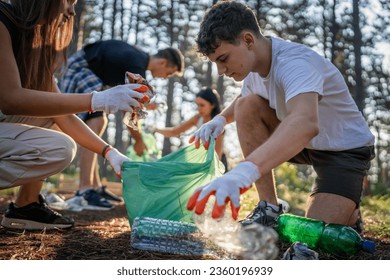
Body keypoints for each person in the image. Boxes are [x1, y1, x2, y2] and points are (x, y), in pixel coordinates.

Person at [186, 0, 375, 231]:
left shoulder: (295, 63)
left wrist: (246, 170)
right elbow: (243, 101)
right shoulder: (253, 68)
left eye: (223, 59)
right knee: (247, 105)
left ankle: (350, 213)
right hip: (306, 145)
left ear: (247, 40)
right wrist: (221, 119)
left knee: (312, 236)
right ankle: (269, 209)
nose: (221, 71)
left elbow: (305, 122)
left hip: (343, 150)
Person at [0, 0, 145, 230]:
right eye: (68, 1)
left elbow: (63, 115)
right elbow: (10, 100)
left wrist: (110, 153)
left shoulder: (32, 45)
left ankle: (26, 206)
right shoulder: (2, 20)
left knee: (53, 113)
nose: (71, 10)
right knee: (59, 147)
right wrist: (98, 99)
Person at [58, 40, 184, 210]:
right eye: (168, 73)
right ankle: (85, 190)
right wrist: (138, 141)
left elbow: (126, 100)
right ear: (162, 62)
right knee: (95, 122)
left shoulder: (137, 59)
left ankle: (94, 187)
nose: (165, 77)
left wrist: (145, 106)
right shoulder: (137, 67)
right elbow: (129, 115)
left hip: (91, 71)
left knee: (99, 122)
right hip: (82, 68)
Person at [154, 87, 227, 167]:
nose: (199, 109)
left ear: (212, 105)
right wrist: (155, 129)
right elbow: (174, 132)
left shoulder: (217, 124)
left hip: (217, 162)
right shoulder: (197, 118)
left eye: (202, 105)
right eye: (197, 105)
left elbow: (217, 155)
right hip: (201, 159)